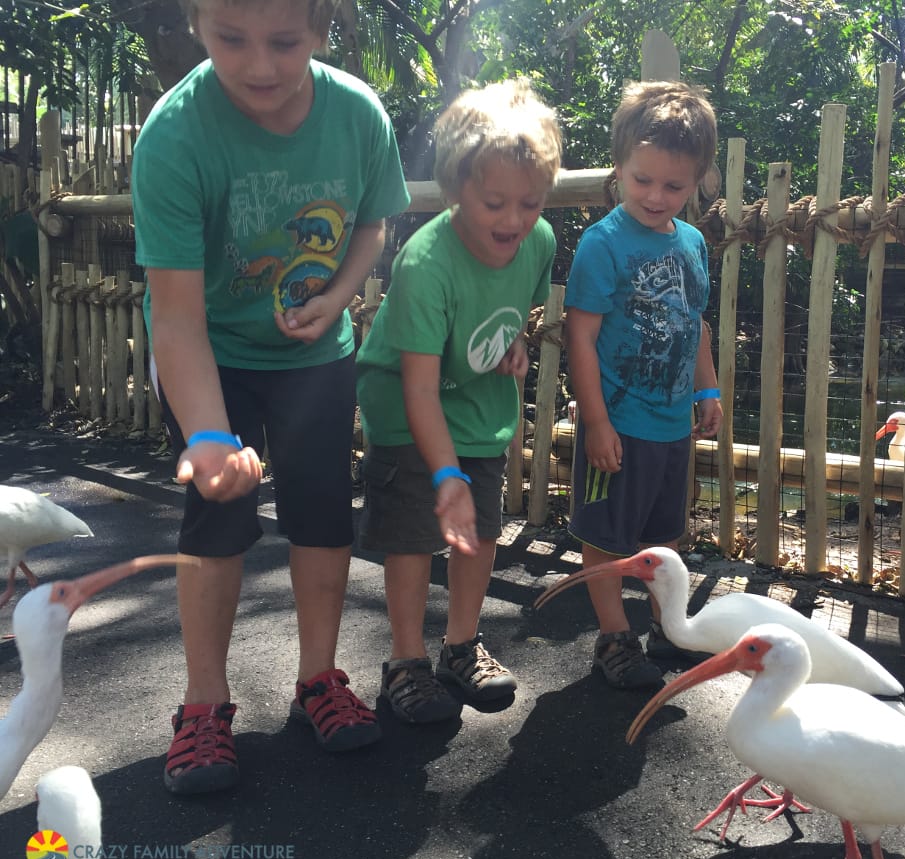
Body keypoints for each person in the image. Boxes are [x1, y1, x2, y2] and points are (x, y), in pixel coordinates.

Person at [131, 0, 410, 794]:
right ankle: (203, 707)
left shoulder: (357, 114)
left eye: (284, 42)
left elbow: (370, 228)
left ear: (325, 28)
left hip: (313, 350)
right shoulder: (175, 135)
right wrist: (211, 441)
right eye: (231, 39)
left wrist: (342, 296)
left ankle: (319, 680)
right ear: (196, 22)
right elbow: (177, 320)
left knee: (321, 512)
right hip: (210, 351)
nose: (259, 66)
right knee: (216, 512)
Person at [356, 79, 561, 723]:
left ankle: (462, 646)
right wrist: (443, 472)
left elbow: (504, 315)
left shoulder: (540, 241)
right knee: (416, 534)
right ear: (454, 191)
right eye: (494, 201)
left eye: (529, 202)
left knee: (477, 534)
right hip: (404, 407)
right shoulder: (426, 262)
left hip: (476, 402)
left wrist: (514, 348)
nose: (513, 220)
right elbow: (417, 384)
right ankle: (406, 662)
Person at [563, 81, 722, 689]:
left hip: (669, 421)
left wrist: (706, 390)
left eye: (674, 186)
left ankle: (667, 629)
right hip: (618, 422)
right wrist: (595, 420)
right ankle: (614, 639)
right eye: (642, 180)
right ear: (620, 168)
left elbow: (694, 323)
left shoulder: (693, 243)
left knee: (664, 537)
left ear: (699, 180)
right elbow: (580, 339)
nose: (656, 197)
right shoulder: (602, 244)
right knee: (607, 537)